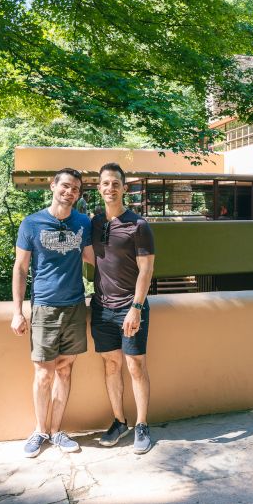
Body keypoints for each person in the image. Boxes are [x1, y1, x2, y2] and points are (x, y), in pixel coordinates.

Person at [11, 167, 93, 458]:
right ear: (53, 186)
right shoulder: (31, 223)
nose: (70, 192)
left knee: (65, 370)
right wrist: (17, 311)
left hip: (75, 306)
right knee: (43, 373)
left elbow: (93, 257)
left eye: (75, 189)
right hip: (44, 307)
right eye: (65, 186)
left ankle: (57, 431)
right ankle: (40, 431)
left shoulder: (83, 222)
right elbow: (21, 268)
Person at [84, 162, 156, 454]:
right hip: (101, 307)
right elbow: (90, 255)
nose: (110, 188)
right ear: (99, 187)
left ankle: (142, 424)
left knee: (135, 365)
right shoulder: (94, 223)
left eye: (115, 183)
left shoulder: (138, 225)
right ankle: (119, 421)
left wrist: (136, 307)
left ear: (124, 188)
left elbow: (146, 270)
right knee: (111, 365)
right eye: (105, 183)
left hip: (130, 307)